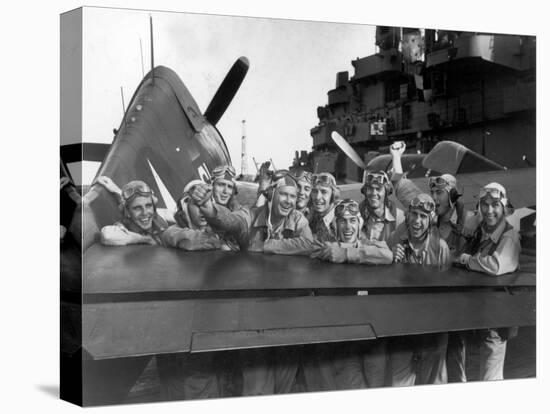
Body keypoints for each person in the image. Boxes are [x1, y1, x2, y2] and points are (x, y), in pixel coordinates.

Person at [189, 170, 313, 396]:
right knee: (257, 385)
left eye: (293, 197)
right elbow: (229, 220)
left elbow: (308, 243)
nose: (289, 201)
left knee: (284, 381)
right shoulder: (250, 215)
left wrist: (267, 246)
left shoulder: (298, 219)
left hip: (287, 311)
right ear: (272, 194)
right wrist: (207, 205)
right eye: (284, 195)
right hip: (255, 313)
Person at [390, 143, 468, 382]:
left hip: (445, 309)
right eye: (432, 192)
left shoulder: (465, 223)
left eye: (440, 194)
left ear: (452, 196)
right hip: (413, 308)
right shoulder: (422, 208)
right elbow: (399, 183)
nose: (435, 198)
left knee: (449, 366)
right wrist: (396, 156)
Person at [456, 183, 521, 381]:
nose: (489, 210)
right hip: (477, 316)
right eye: (484, 204)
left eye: (495, 205)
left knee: (490, 379)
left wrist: (467, 260)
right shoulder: (480, 230)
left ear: (504, 208)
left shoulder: (509, 236)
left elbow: (496, 265)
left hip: (496, 321)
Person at [388, 194, 451, 387]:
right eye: (414, 214)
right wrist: (391, 258)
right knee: (398, 383)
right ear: (407, 216)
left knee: (435, 383)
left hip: (433, 325)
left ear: (431, 219)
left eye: (423, 216)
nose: (417, 221)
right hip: (402, 324)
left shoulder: (440, 247)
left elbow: (448, 291)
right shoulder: (395, 239)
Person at [97, 177, 168, 246]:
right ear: (127, 212)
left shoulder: (159, 217)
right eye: (137, 208)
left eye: (148, 205)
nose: (145, 212)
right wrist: (145, 239)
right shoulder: (123, 228)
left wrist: (117, 190)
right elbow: (107, 236)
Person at [162, 179, 225, 251]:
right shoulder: (173, 232)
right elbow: (168, 235)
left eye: (206, 204)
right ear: (185, 207)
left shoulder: (219, 228)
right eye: (197, 204)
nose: (202, 210)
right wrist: (192, 238)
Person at [308, 172, 340, 242]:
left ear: (333, 195)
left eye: (324, 192)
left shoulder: (341, 220)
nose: (317, 197)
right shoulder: (311, 216)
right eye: (314, 191)